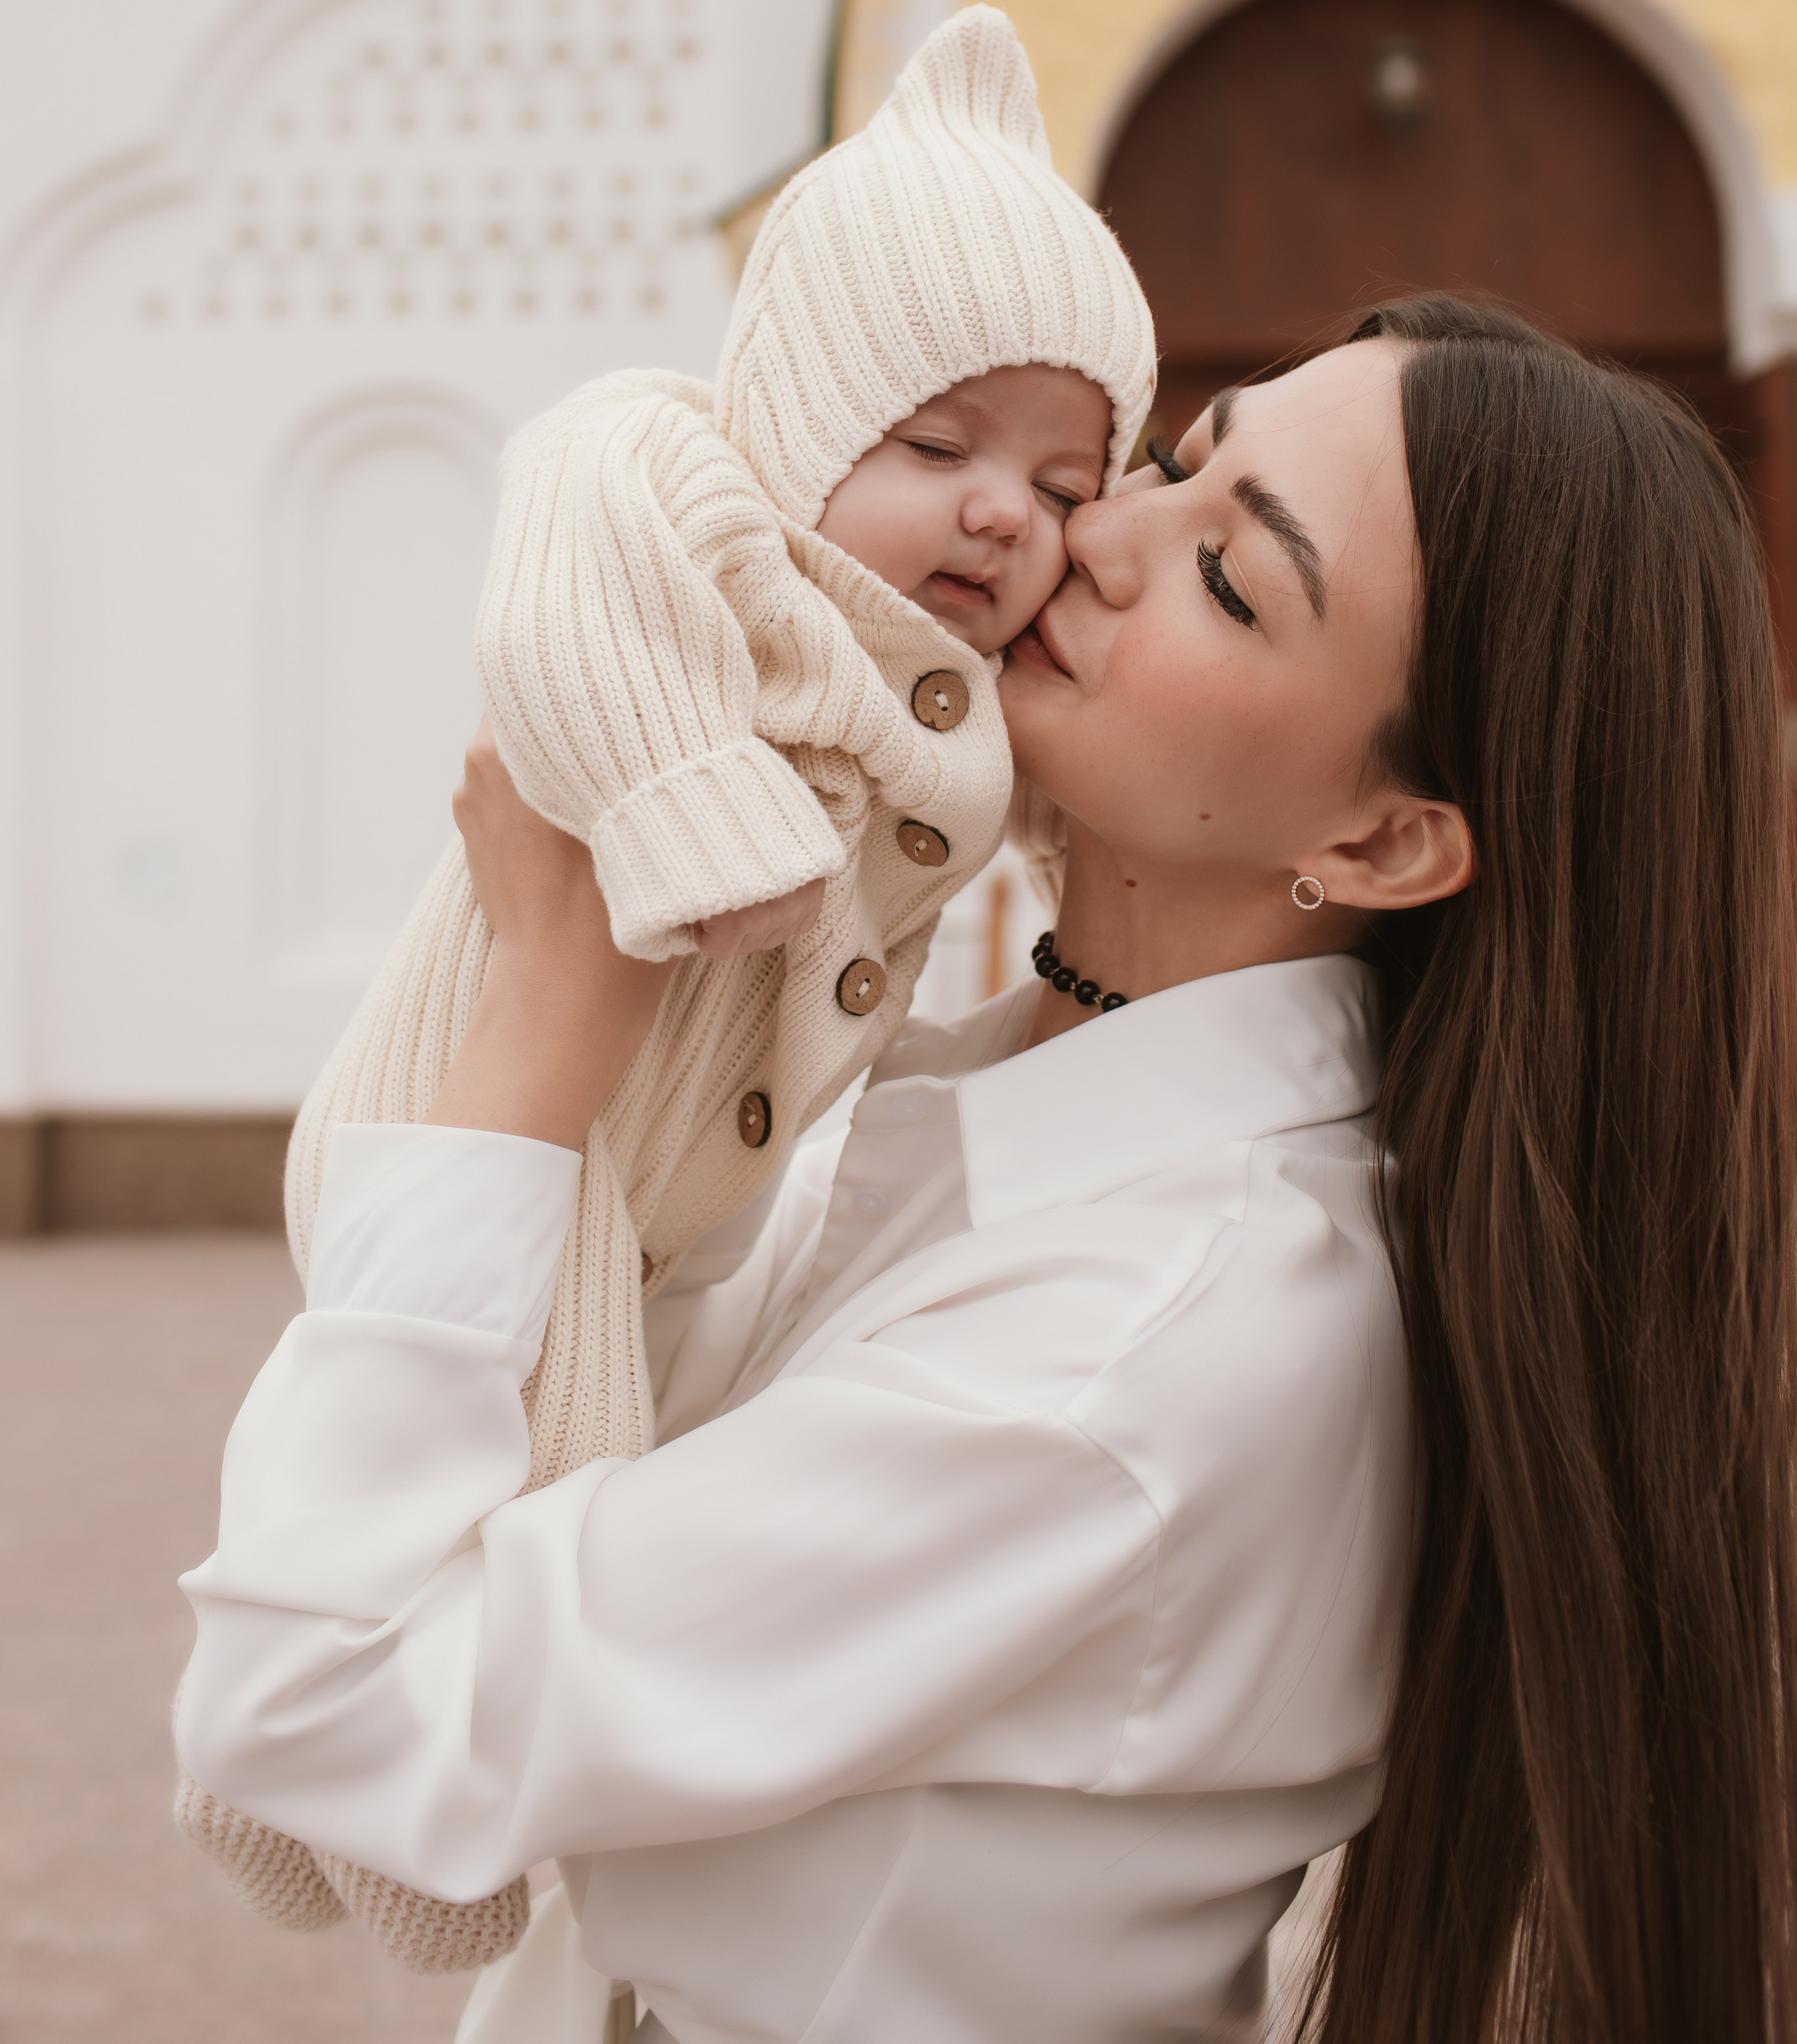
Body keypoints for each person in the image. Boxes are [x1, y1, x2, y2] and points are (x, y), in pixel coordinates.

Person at [176, 298, 1797, 2043]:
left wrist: (538, 1027)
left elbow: (320, 1705)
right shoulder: (989, 1072)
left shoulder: (1148, 1349)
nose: (1089, 538)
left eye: (1231, 581)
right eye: (1176, 461)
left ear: (1381, 840)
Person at [175, 2, 1154, 1966]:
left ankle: (325, 1795)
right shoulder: (674, 482)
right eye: (942, 443)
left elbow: (1025, 820)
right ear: (794, 426)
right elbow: (558, 606)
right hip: (474, 1115)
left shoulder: (941, 695)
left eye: (1066, 483)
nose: (1003, 516)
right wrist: (679, 800)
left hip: (645, 1197)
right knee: (552, 1486)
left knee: (531, 1533)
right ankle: (351, 1817)